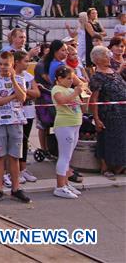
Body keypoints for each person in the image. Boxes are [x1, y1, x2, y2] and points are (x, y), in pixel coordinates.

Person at [0, 51, 31, 204]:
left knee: (14, 156)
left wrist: (13, 80)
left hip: (16, 121)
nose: (3, 67)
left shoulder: (20, 78)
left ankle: (16, 189)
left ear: (12, 64)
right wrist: (11, 97)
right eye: (1, 64)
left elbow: (23, 97)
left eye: (6, 64)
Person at [89, 46, 126, 179]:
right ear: (97, 59)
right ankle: (106, 168)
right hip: (108, 113)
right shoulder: (97, 77)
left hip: (122, 111)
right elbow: (94, 99)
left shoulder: (113, 71)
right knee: (107, 140)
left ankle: (120, 166)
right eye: (105, 55)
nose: (108, 57)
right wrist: (96, 118)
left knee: (122, 140)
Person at [50, 65, 86, 199]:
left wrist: (82, 93)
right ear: (59, 78)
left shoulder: (70, 89)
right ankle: (60, 186)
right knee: (64, 156)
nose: (71, 81)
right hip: (65, 124)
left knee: (68, 156)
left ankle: (65, 183)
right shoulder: (56, 89)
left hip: (75, 123)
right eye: (68, 78)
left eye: (72, 78)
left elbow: (81, 106)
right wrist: (75, 93)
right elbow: (61, 101)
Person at [13, 50, 40, 184]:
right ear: (17, 62)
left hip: (28, 111)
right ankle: (14, 170)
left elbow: (36, 93)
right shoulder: (12, 76)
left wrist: (24, 91)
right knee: (16, 141)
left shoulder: (29, 76)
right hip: (16, 112)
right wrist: (23, 94)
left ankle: (23, 168)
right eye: (25, 61)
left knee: (25, 140)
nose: (27, 64)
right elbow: (15, 95)